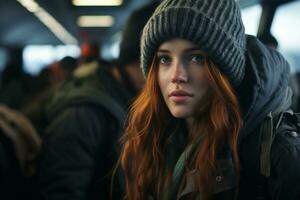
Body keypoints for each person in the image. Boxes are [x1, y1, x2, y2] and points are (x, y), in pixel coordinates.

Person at [118, 0, 300, 200]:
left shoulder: (277, 154)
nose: (176, 75)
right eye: (165, 59)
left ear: (225, 70)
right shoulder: (153, 136)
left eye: (197, 58)